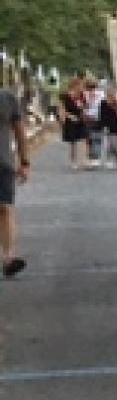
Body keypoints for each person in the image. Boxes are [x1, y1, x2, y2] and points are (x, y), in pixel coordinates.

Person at [0, 81, 30, 278]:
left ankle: (8, 258)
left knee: (4, 209)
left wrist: (24, 161)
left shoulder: (7, 98)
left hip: (3, 163)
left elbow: (20, 131)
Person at [59, 77, 89, 169]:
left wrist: (84, 112)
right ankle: (73, 161)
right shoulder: (65, 96)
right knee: (73, 142)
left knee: (84, 139)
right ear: (74, 86)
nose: (81, 87)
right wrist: (70, 116)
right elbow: (62, 110)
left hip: (80, 120)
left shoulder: (82, 95)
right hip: (70, 121)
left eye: (81, 86)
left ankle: (84, 160)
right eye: (79, 85)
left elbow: (85, 106)